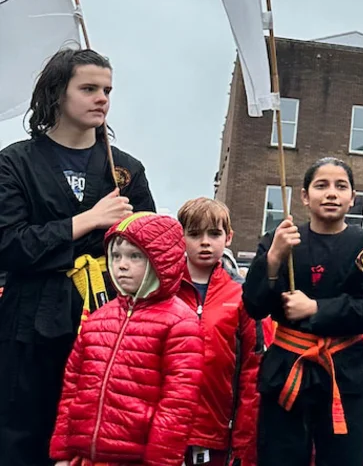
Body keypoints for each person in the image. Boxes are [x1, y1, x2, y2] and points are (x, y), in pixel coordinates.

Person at [0, 48, 155, 466]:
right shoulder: (14, 163)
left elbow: (152, 248)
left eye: (107, 89)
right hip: (30, 323)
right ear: (56, 94)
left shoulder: (125, 170)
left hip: (107, 320)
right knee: (23, 433)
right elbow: (9, 244)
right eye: (88, 88)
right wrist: (84, 221)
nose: (102, 98)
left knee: (95, 436)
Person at [243, 158, 363, 466]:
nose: (331, 193)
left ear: (353, 197)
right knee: (280, 456)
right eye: (321, 186)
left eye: (340, 186)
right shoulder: (282, 239)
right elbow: (254, 305)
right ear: (304, 196)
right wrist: (274, 257)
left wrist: (317, 308)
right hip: (288, 367)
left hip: (344, 371)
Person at [50, 212, 203, 465]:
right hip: (86, 457)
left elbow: (177, 407)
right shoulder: (99, 319)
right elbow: (72, 390)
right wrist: (63, 453)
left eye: (135, 256)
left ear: (162, 261)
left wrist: (159, 462)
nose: (122, 265)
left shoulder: (180, 323)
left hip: (136, 459)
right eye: (116, 255)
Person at [176, 197, 260, 466]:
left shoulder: (242, 296)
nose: (204, 242)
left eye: (214, 234)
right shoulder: (162, 291)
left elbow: (252, 371)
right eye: (194, 234)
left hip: (217, 430)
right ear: (181, 237)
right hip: (166, 429)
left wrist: (243, 442)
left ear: (229, 237)